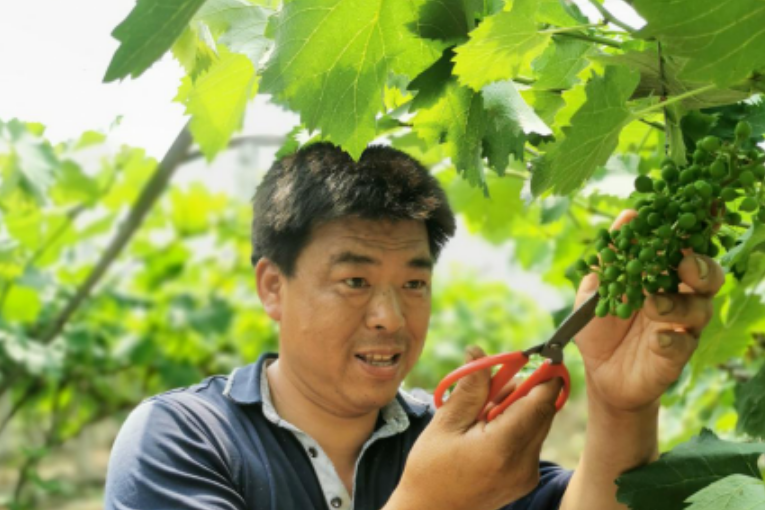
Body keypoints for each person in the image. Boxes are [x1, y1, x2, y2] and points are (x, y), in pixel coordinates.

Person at [104, 143, 723, 510]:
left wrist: (620, 407)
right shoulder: (185, 438)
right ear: (273, 286)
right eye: (355, 281)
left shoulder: (447, 439)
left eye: (414, 283)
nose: (390, 317)